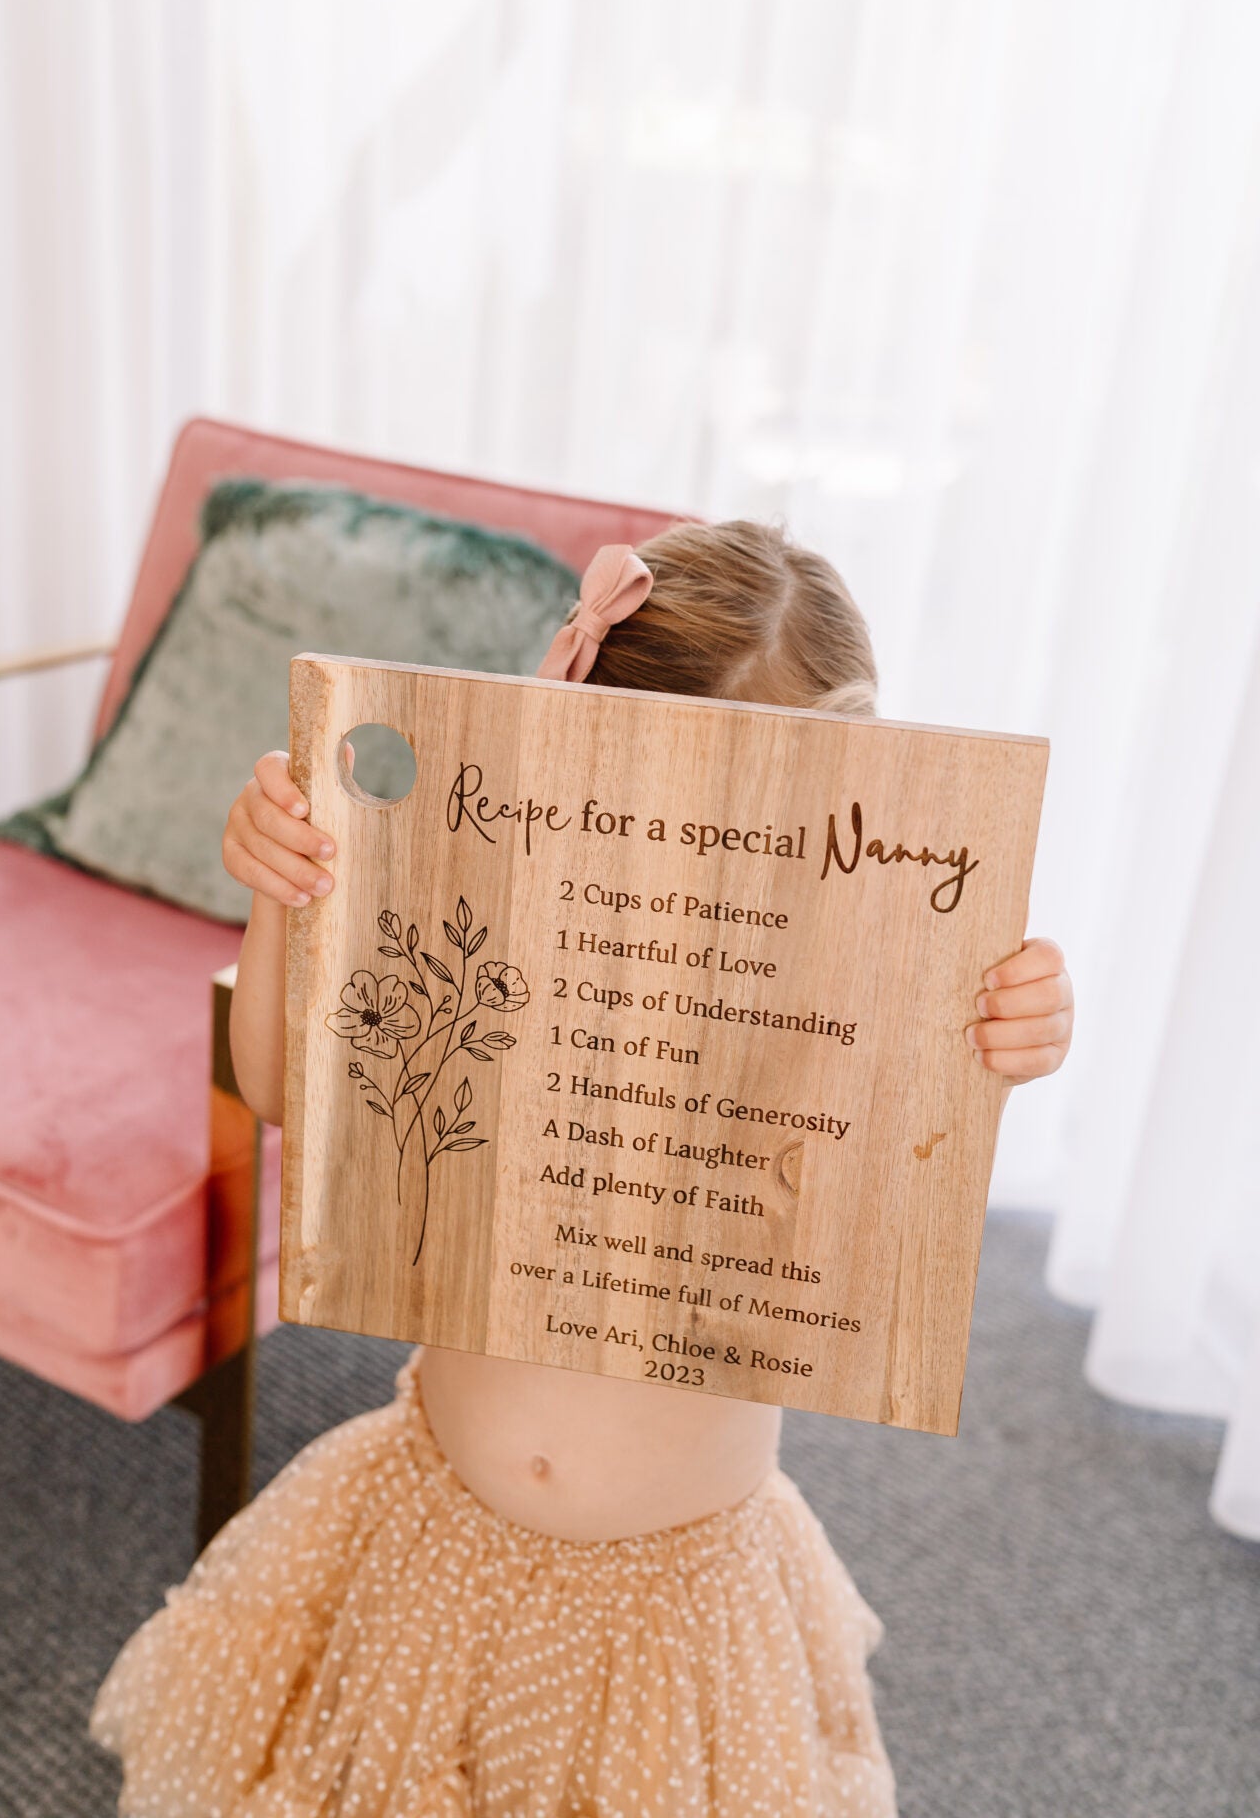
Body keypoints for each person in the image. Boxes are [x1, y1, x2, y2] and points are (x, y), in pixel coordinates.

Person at [90, 520, 1074, 1816]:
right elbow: (287, 1091)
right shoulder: (489, 925)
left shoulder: (847, 987)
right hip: (433, 1537)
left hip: (678, 1604)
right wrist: (283, 896)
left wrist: (1008, 1036)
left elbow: (900, 1198)